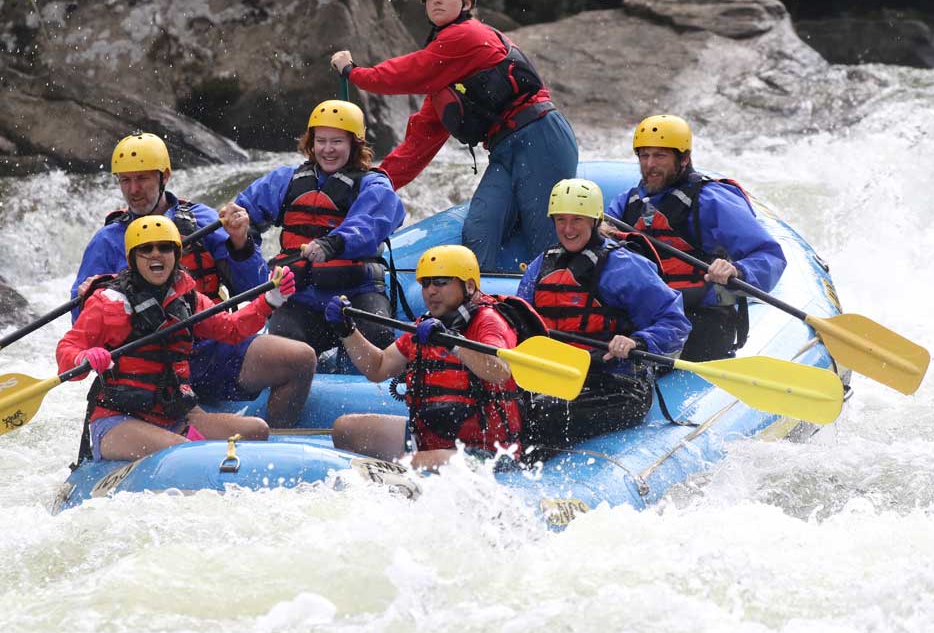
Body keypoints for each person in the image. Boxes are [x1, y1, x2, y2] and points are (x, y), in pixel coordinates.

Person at [329, 0, 578, 270]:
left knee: (546, 238)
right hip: (504, 151)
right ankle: (484, 308)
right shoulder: (445, 70)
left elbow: (407, 72)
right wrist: (375, 182)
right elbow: (420, 141)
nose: (436, 0)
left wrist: (354, 73)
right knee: (479, 231)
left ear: (467, 3)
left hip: (541, 138)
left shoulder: (467, 36)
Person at [71, 131, 317, 427]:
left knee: (300, 359)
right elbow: (82, 327)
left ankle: (272, 441)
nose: (134, 189)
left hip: (212, 347)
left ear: (165, 176)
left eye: (143, 179)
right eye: (125, 180)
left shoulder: (203, 220)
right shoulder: (108, 240)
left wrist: (241, 245)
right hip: (152, 365)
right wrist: (94, 293)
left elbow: (254, 289)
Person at [58, 215, 297, 462]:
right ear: (132, 257)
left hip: (172, 416)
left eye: (164, 248)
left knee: (257, 430)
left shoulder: (187, 298)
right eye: (146, 249)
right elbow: (68, 347)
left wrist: (270, 300)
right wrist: (83, 357)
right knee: (185, 454)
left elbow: (231, 329)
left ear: (176, 254)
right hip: (118, 421)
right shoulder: (107, 303)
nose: (156, 255)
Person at [518, 179, 690, 457]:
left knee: (542, 414)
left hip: (620, 386)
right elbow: (520, 322)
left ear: (594, 220)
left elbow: (675, 322)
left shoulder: (626, 267)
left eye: (577, 220)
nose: (568, 229)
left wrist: (638, 342)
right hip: (556, 379)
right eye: (561, 220)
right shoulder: (541, 266)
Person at [230, 100, 406, 357]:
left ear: (354, 144)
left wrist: (333, 243)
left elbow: (369, 224)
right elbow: (244, 213)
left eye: (337, 141)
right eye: (321, 140)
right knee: (282, 343)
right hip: (301, 297)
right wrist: (238, 229)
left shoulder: (372, 184)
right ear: (311, 143)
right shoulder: (286, 180)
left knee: (377, 337)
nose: (327, 149)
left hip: (356, 295)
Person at [605, 115, 787, 361]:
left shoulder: (712, 201)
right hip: (645, 316)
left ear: (684, 158)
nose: (649, 164)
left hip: (700, 316)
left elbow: (769, 255)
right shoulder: (628, 203)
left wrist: (737, 271)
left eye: (659, 156)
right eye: (644, 155)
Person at [325, 245, 523, 470]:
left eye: (440, 282)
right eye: (426, 283)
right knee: (345, 429)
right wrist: (347, 331)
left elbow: (500, 371)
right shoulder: (426, 326)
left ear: (469, 285)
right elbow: (378, 367)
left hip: (490, 453)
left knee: (416, 463)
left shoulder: (489, 321)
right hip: (430, 442)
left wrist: (452, 342)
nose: (431, 291)